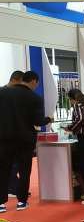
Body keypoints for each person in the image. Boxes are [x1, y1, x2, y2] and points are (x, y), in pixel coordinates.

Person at [0, 71, 52, 213]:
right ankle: (22, 201)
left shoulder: (2, 93)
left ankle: (1, 203)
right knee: (24, 171)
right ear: (33, 81)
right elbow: (38, 121)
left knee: (3, 170)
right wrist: (49, 119)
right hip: (25, 141)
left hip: (4, 139)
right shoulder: (34, 98)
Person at [5, 71, 24, 198]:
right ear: (15, 80)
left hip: (16, 135)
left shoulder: (15, 94)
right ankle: (13, 188)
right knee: (12, 164)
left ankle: (15, 187)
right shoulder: (4, 93)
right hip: (7, 135)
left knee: (15, 163)